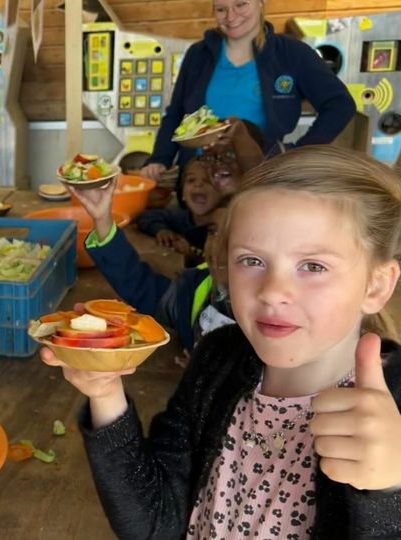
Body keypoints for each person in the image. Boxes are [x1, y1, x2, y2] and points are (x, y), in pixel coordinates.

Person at [45, 146, 401, 538]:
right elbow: (155, 523)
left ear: (376, 285)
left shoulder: (393, 420)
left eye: (313, 266)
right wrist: (105, 392)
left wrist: (389, 493)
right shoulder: (216, 358)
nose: (272, 291)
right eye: (252, 260)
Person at [139, 0, 354, 198]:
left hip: (259, 182)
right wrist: (159, 159)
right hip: (200, 184)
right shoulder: (198, 54)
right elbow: (177, 113)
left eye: (241, 4)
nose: (231, 16)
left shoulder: (291, 53)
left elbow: (340, 104)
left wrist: (297, 154)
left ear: (260, 3)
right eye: (221, 9)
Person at [72, 178, 232, 353]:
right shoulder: (198, 287)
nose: (217, 245)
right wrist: (102, 219)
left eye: (233, 233)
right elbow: (142, 288)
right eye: (213, 232)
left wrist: (205, 366)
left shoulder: (256, 317)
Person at [136, 158, 222, 266]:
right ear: (182, 195)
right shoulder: (182, 218)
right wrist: (161, 230)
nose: (198, 184)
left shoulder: (223, 230)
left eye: (208, 180)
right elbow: (147, 216)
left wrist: (192, 258)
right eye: (191, 180)